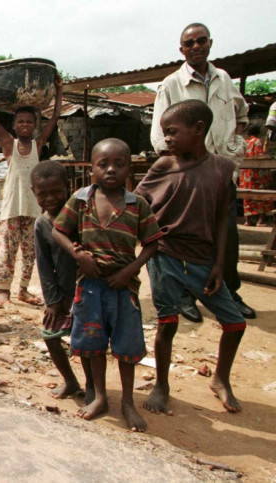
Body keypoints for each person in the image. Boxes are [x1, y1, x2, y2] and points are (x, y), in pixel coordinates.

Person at [137, 99, 247, 414]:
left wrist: (219, 265)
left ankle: (220, 379)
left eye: (172, 133)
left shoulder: (222, 168)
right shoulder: (163, 166)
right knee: (167, 322)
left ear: (198, 129)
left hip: (203, 259)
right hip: (166, 256)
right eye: (164, 134)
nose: (166, 139)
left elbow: (223, 219)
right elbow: (138, 203)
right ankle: (162, 384)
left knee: (235, 323)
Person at [52, 138, 163, 432]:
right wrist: (78, 255)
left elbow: (152, 243)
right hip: (89, 286)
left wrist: (129, 271)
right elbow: (58, 230)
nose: (111, 170)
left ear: (129, 169)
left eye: (119, 164)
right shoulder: (81, 199)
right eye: (103, 164)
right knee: (93, 343)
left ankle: (128, 401)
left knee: (126, 345)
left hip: (123, 288)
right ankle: (100, 396)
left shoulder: (137, 204)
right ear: (92, 169)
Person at [150, 22, 256, 321]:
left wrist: (233, 148)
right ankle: (187, 297)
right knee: (188, 232)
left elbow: (242, 114)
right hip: (188, 174)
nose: (196, 47)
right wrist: (177, 164)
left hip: (221, 170)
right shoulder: (172, 84)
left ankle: (230, 292)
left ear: (210, 43)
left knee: (228, 232)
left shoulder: (223, 79)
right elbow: (159, 134)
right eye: (190, 43)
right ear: (181, 49)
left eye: (201, 41)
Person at [0, 69, 63, 309]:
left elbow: (55, 117)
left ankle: (23, 290)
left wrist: (59, 91)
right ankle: (2, 291)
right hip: (11, 209)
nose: (25, 125)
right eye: (20, 122)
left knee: (31, 255)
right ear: (14, 126)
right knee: (7, 251)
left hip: (34, 210)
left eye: (29, 121)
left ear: (35, 125)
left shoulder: (38, 144)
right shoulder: (9, 145)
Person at [31, 161, 93, 401]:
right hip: (63, 293)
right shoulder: (42, 224)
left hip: (88, 289)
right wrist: (53, 300)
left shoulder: (82, 215)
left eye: (56, 191)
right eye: (42, 194)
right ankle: (70, 380)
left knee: (86, 341)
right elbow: (44, 266)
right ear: (33, 193)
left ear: (68, 188)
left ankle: (93, 387)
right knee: (50, 336)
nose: (50, 198)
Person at [240, 125, 272, 226]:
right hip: (255, 173)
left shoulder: (244, 142)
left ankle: (248, 220)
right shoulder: (257, 141)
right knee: (261, 195)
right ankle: (261, 220)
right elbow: (259, 156)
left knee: (247, 196)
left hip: (245, 174)